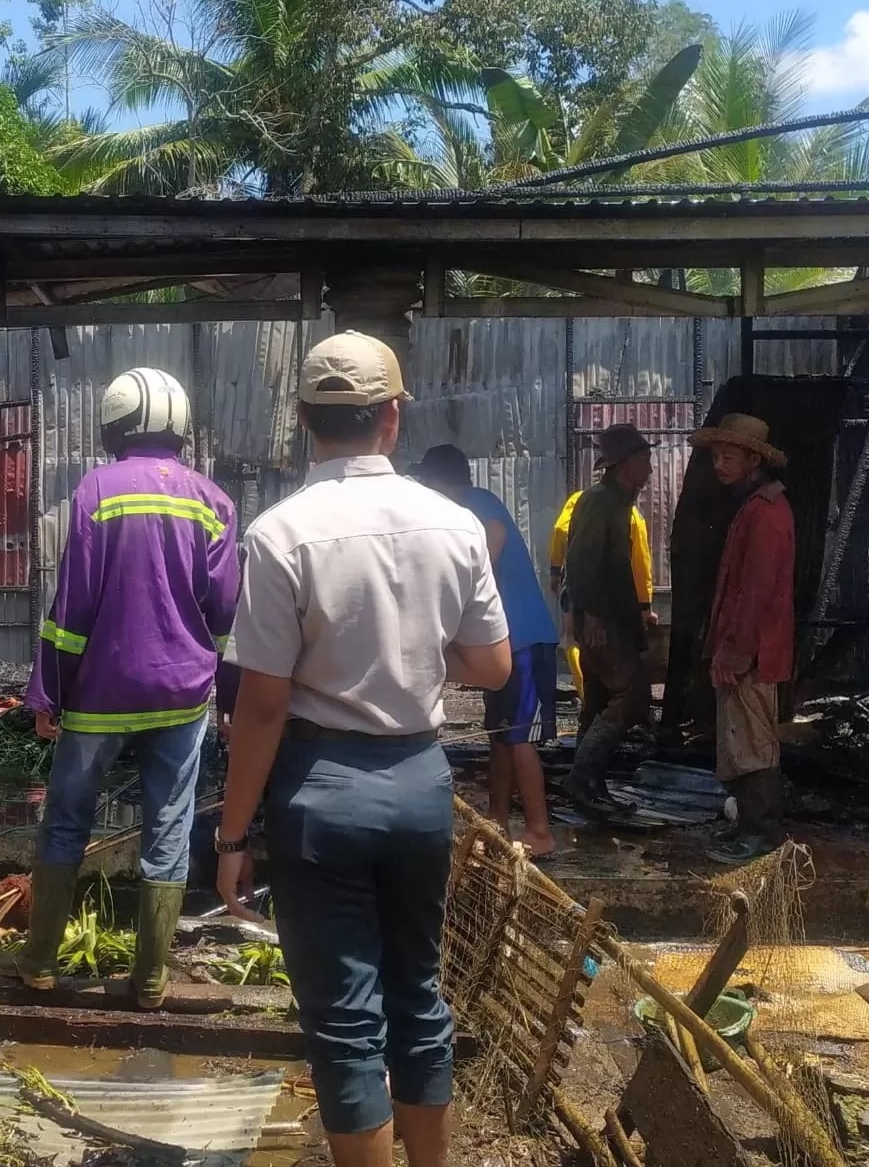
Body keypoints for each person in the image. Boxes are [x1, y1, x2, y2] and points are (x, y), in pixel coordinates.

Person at [216, 331, 511, 1167]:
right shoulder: (453, 524)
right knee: (418, 994)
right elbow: (491, 667)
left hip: (321, 793)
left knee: (345, 1018)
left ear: (304, 420)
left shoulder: (280, 535)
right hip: (419, 782)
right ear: (392, 417)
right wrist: (418, 650)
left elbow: (263, 707)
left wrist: (233, 837)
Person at [1, 368, 238, 1009]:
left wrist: (48, 690)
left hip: (100, 696)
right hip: (183, 697)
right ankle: (152, 980)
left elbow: (71, 605)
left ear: (114, 426)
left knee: (67, 818)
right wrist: (210, 675)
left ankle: (41, 963)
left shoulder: (97, 491)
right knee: (169, 824)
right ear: (179, 428)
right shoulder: (213, 501)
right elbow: (223, 609)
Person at [414, 445, 560, 858]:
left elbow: (488, 546)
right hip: (504, 645)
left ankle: (540, 832)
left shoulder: (477, 504)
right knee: (499, 735)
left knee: (519, 739)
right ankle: (498, 817)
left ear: (440, 482)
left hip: (525, 640)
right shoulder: (461, 511)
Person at [691, 414, 795, 866]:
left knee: (754, 743)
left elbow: (756, 591)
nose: (718, 463)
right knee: (742, 741)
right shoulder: (753, 506)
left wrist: (734, 652)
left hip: (755, 651)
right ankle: (750, 829)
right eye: (716, 455)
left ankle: (763, 834)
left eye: (728, 455)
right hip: (746, 648)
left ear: (753, 459)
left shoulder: (767, 513)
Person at [562, 424, 654, 815]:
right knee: (633, 696)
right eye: (644, 460)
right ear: (624, 464)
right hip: (602, 621)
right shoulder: (599, 501)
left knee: (598, 699)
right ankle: (582, 778)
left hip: (612, 618)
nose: (650, 468)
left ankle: (589, 784)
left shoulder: (618, 502)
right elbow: (580, 563)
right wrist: (591, 617)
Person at [548, 485, 653, 709]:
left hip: (575, 579)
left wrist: (555, 570)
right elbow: (640, 563)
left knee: (572, 640)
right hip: (614, 591)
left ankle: (587, 695)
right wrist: (645, 605)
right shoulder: (632, 516)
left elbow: (559, 530)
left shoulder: (578, 500)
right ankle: (603, 698)